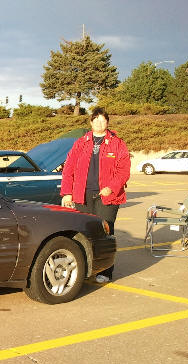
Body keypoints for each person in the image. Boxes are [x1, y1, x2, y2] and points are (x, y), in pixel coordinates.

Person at [60, 107, 130, 283]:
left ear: (107, 122)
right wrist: (67, 193)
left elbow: (123, 171)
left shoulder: (118, 143)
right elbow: (68, 169)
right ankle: (85, 268)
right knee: (83, 232)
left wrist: (112, 187)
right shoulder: (80, 143)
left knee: (104, 233)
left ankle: (105, 271)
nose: (99, 122)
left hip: (107, 196)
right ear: (91, 122)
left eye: (103, 119)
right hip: (82, 195)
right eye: (96, 119)